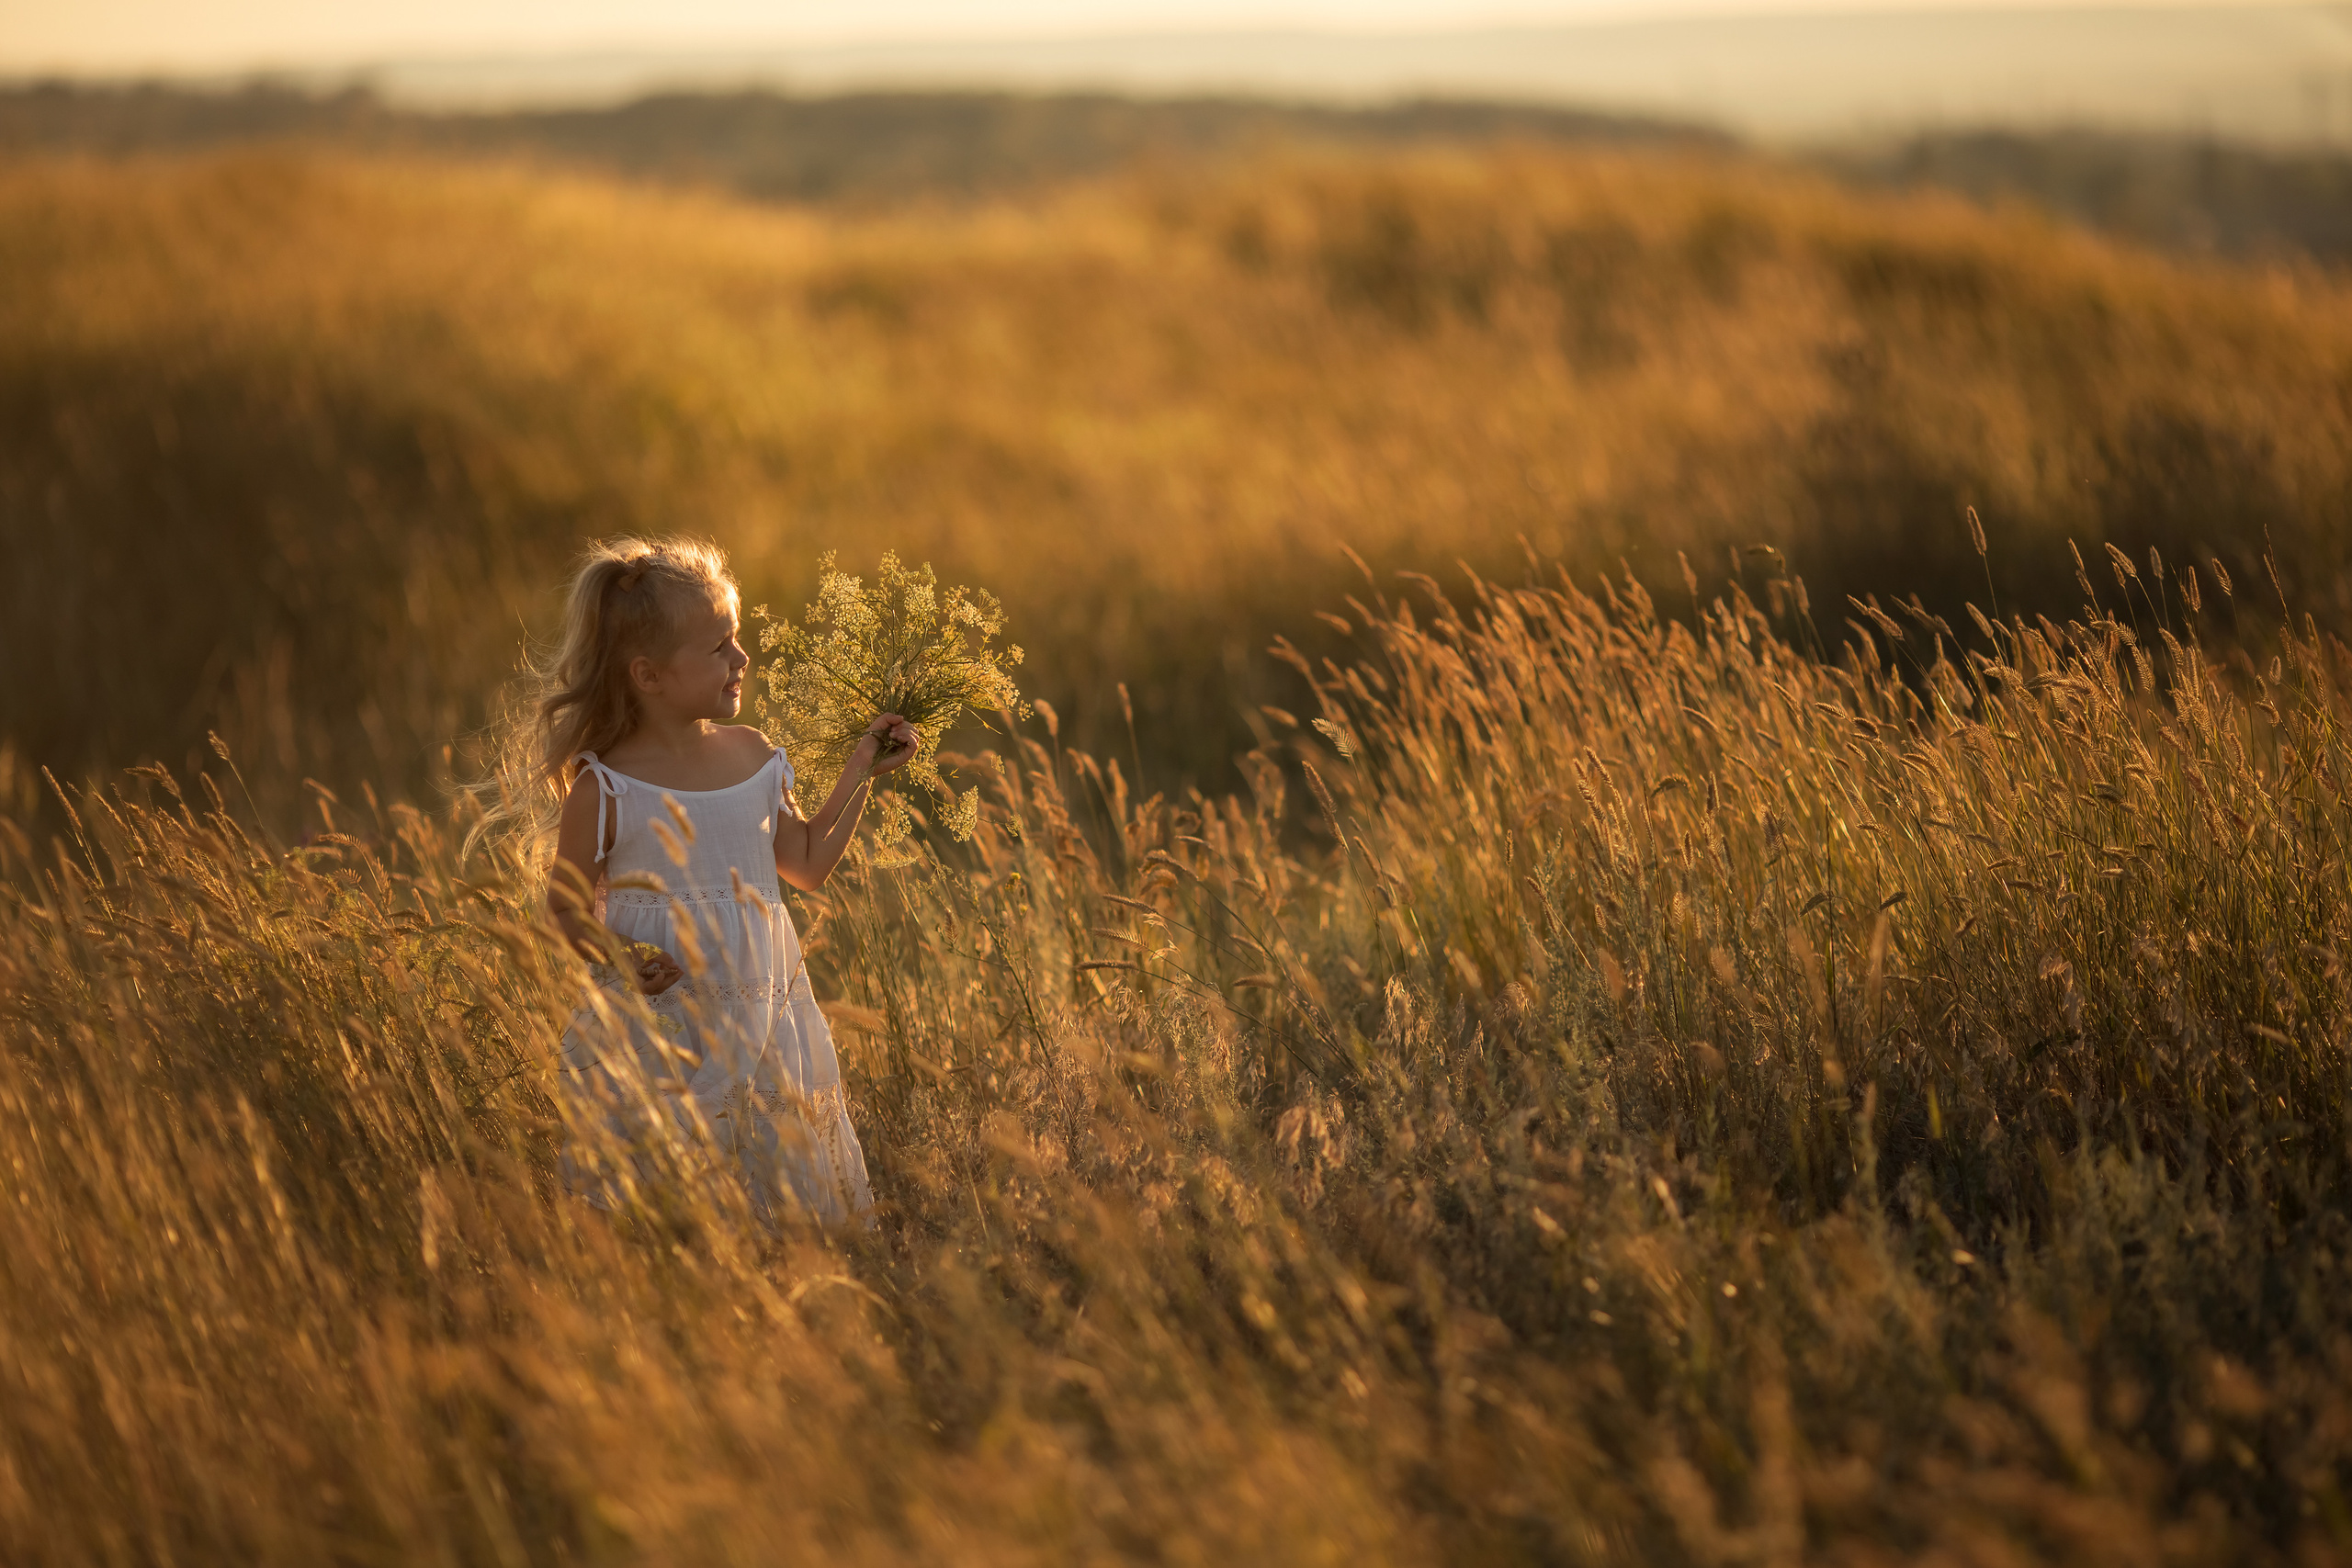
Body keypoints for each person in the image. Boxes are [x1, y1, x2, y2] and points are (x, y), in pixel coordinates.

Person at [524, 535, 916, 1226]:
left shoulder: (754, 755)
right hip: (658, 1028)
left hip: (761, 1019)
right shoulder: (606, 787)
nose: (741, 658)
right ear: (649, 675)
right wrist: (618, 953)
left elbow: (808, 863)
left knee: (770, 1189)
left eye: (737, 639)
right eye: (718, 648)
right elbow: (563, 911)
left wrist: (861, 769)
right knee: (659, 1200)